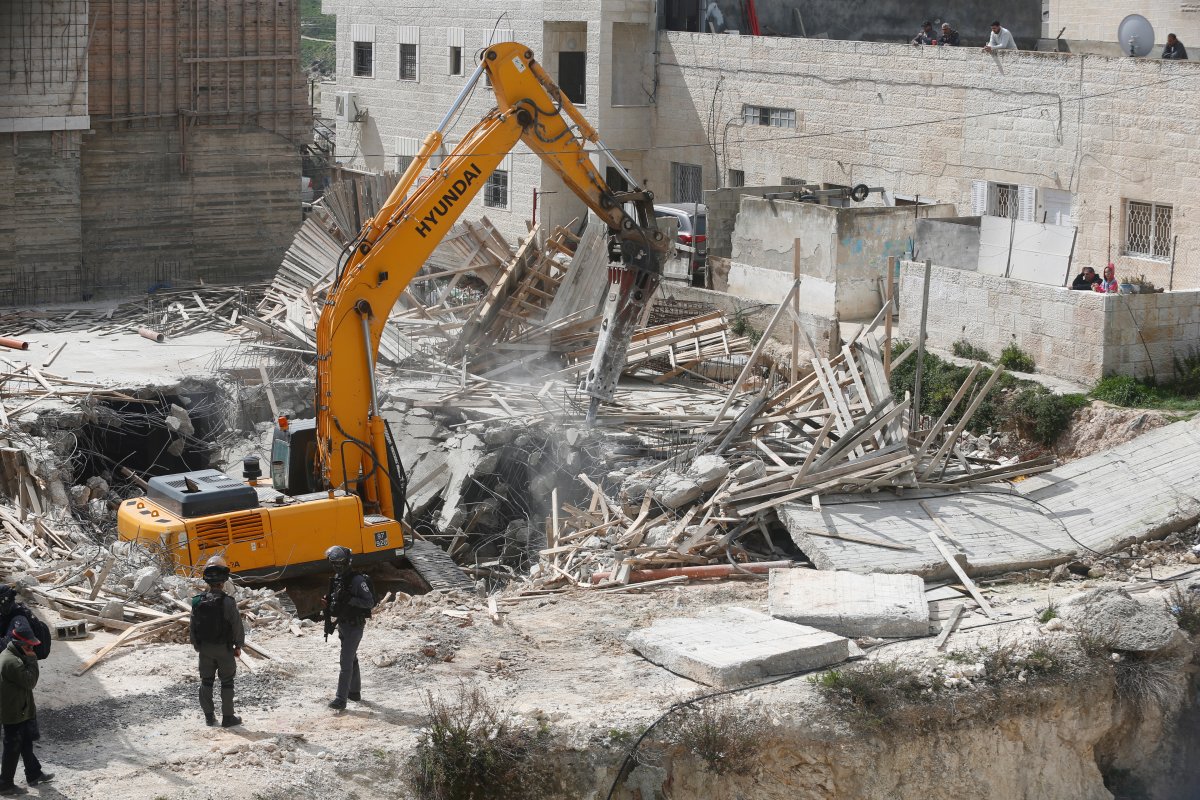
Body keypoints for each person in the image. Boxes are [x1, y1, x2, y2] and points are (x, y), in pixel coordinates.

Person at [189, 555, 244, 728]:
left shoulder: (197, 601)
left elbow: (192, 627)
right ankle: (228, 718)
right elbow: (237, 626)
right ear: (224, 580)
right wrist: (238, 646)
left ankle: (209, 717)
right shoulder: (228, 602)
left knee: (206, 681)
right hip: (225, 649)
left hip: (205, 648)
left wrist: (197, 645)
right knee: (227, 682)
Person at [0, 617, 52, 795]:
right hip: (13, 713)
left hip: (19, 709)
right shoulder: (12, 662)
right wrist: (32, 660)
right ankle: (5, 784)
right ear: (20, 644)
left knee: (25, 742)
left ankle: (34, 773)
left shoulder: (13, 655)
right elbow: (30, 682)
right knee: (12, 748)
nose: (31, 650)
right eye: (29, 647)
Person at [323, 545, 374, 710]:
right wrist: (329, 601)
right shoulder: (338, 579)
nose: (336, 567)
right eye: (333, 564)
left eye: (339, 563)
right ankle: (354, 692)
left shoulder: (357, 580)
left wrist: (351, 599)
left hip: (355, 625)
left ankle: (340, 699)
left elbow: (369, 602)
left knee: (345, 662)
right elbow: (337, 599)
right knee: (352, 658)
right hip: (343, 624)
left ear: (346, 562)